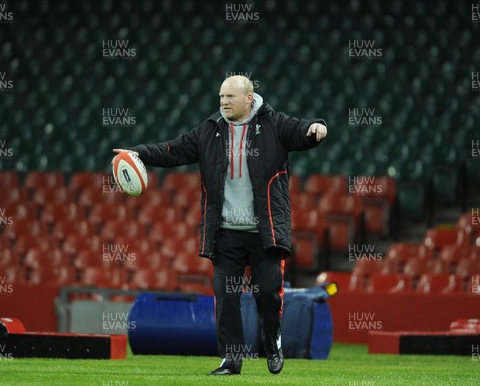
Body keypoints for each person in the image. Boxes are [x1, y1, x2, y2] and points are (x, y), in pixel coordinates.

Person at [113, 75, 327, 375]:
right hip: (225, 233)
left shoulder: (274, 124)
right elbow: (173, 150)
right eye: (221, 96)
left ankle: (272, 341)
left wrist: (315, 127)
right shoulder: (210, 130)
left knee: (268, 293)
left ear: (249, 99)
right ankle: (231, 359)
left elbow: (300, 132)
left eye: (230, 97)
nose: (223, 102)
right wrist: (139, 153)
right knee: (226, 298)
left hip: (264, 231)